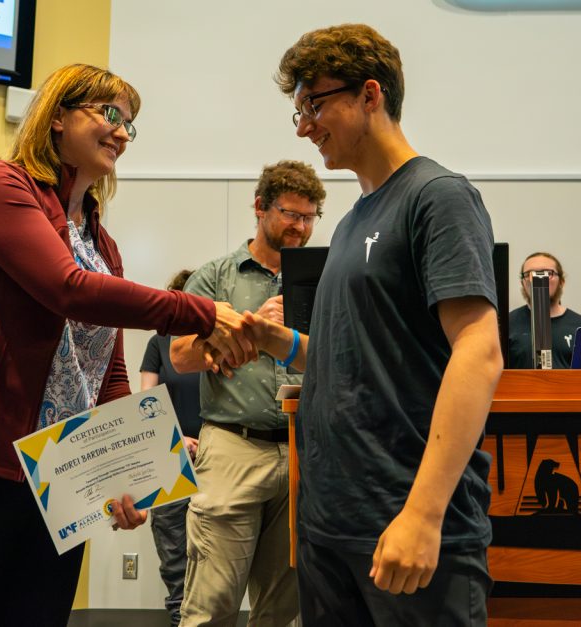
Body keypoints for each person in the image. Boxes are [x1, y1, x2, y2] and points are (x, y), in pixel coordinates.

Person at [0, 63, 255, 627]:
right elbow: (68, 289)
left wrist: (130, 469)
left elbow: (107, 372)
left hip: (54, 481)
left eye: (129, 124)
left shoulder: (102, 244)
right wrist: (199, 312)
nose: (123, 133)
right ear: (57, 116)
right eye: (110, 114)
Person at [233, 23, 503, 627]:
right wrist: (280, 342)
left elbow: (479, 352)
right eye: (299, 110)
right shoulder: (352, 220)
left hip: (404, 524)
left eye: (314, 104)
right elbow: (353, 358)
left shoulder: (438, 197)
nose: (303, 127)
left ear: (370, 94)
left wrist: (424, 515)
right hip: (330, 529)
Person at [170, 159, 326, 626]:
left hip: (302, 449)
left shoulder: (326, 277)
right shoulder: (216, 276)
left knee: (282, 610)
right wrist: (253, 326)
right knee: (212, 605)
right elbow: (180, 355)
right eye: (290, 214)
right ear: (260, 207)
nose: (301, 227)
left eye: (310, 217)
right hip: (232, 448)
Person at [140, 269, 201, 627]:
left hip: (215, 455)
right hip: (169, 454)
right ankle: (180, 617)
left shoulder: (215, 344)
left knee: (212, 549)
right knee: (173, 548)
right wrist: (177, 437)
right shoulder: (158, 343)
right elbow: (145, 404)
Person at [508, 252, 581, 368]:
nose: (538, 278)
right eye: (529, 274)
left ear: (561, 282)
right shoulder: (507, 324)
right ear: (522, 283)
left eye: (548, 273)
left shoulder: (578, 325)